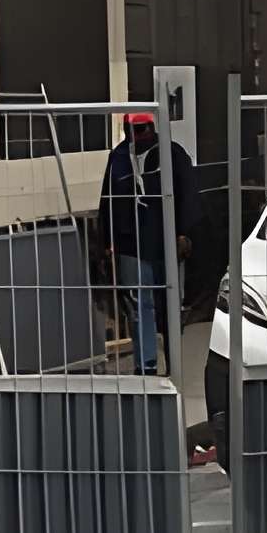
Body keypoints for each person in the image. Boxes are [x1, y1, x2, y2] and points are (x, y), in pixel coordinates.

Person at [99, 109, 200, 376]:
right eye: (133, 130)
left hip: (166, 243)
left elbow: (189, 195)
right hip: (131, 245)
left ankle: (173, 360)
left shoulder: (173, 154)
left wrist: (184, 234)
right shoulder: (118, 158)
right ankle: (146, 365)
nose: (138, 135)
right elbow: (107, 201)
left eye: (142, 129)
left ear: (152, 127)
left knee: (169, 304)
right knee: (138, 305)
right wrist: (107, 242)